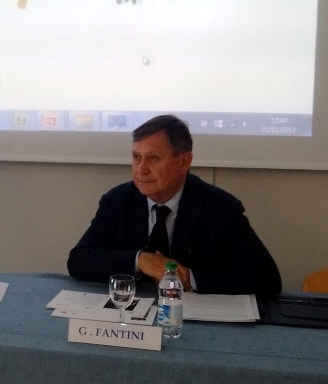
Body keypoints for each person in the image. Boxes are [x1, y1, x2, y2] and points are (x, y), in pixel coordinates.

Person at [67, 114, 282, 295]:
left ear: (184, 162)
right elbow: (79, 260)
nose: (141, 169)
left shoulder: (219, 207)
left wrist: (189, 278)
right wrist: (141, 260)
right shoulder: (118, 200)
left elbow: (266, 278)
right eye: (136, 157)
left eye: (153, 159)